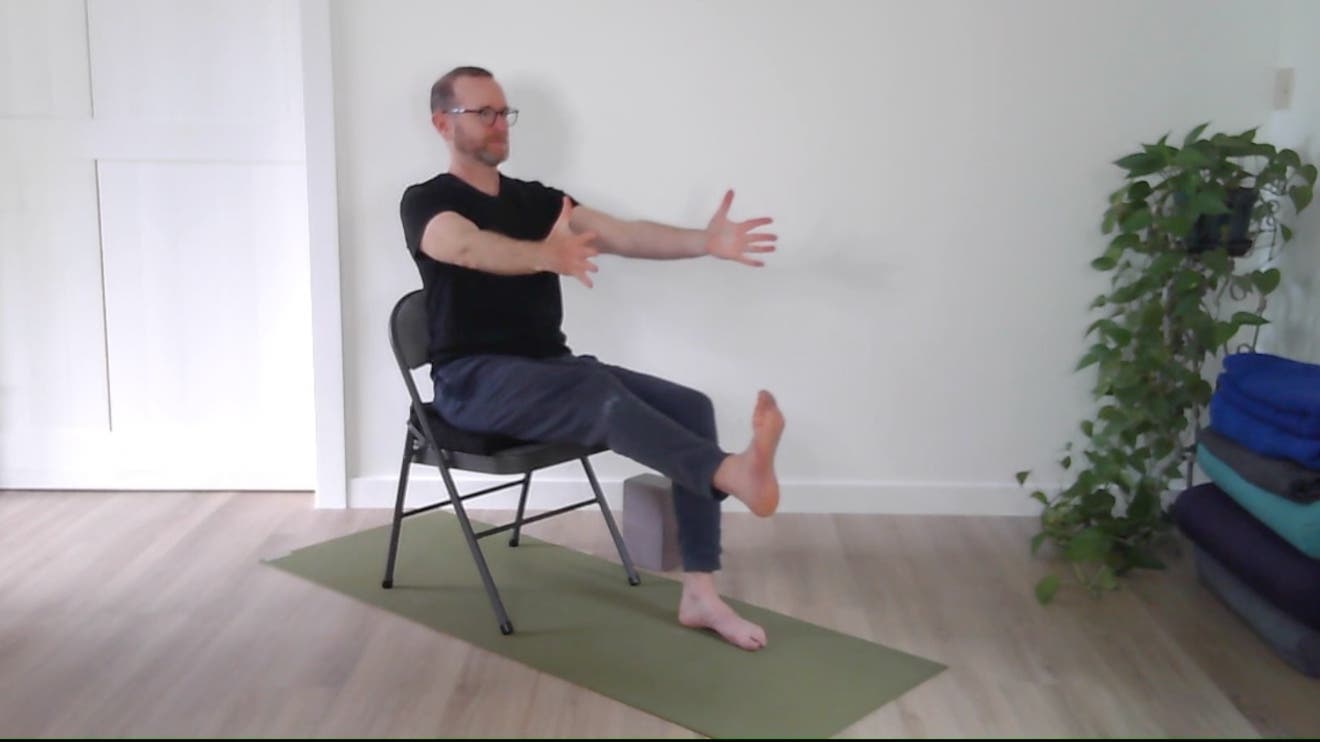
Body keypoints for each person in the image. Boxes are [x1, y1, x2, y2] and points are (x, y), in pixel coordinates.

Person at [399, 66, 785, 651]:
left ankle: (700, 593)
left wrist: (705, 244)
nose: (499, 124)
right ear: (442, 123)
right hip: (472, 383)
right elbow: (468, 248)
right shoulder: (428, 201)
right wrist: (544, 256)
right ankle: (730, 472)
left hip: (549, 371)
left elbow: (625, 235)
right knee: (595, 397)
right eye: (484, 113)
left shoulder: (537, 201)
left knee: (689, 405)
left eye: (505, 113)